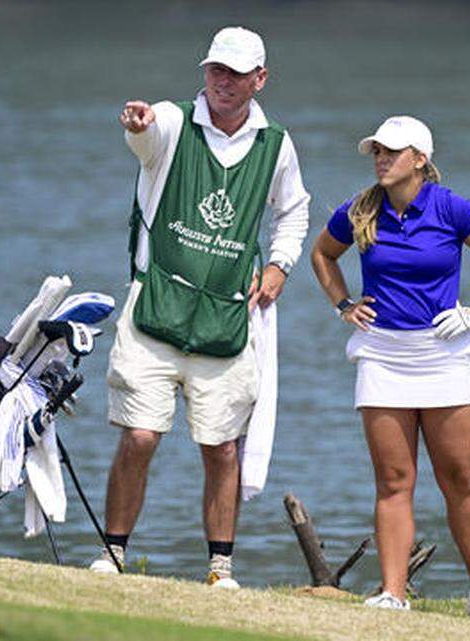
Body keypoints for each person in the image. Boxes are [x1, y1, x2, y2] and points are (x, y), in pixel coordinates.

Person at [90, 26, 310, 589]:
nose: (223, 83)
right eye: (216, 70)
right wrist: (138, 126)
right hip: (155, 309)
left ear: (260, 79)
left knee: (221, 449)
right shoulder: (172, 120)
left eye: (237, 74)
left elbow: (294, 211)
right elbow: (147, 136)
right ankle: (113, 555)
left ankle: (220, 568)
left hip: (225, 319)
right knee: (139, 436)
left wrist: (281, 265)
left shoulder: (275, 145)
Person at [310, 116, 470, 625]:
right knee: (393, 479)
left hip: (444, 353)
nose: (380, 159)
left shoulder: (450, 206)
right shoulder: (360, 209)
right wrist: (343, 304)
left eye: (391, 151)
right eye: (376, 152)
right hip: (382, 353)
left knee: (460, 476)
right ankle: (393, 594)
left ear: (419, 159)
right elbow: (322, 254)